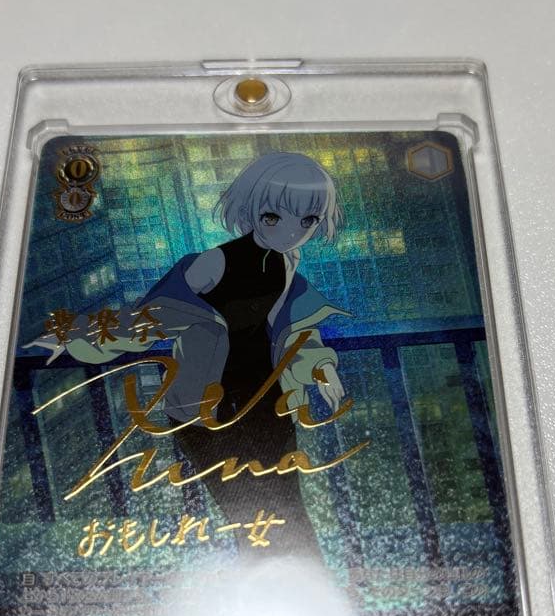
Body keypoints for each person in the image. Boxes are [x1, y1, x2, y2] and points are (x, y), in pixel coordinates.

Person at [30, 151, 349, 564]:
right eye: (274, 217)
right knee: (251, 521)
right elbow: (151, 319)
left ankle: (302, 589)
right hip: (206, 413)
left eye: (308, 221)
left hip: (270, 407)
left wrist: (322, 367)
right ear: (251, 208)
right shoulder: (214, 263)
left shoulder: (288, 264)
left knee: (289, 517)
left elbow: (291, 327)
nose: (291, 232)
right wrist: (75, 336)